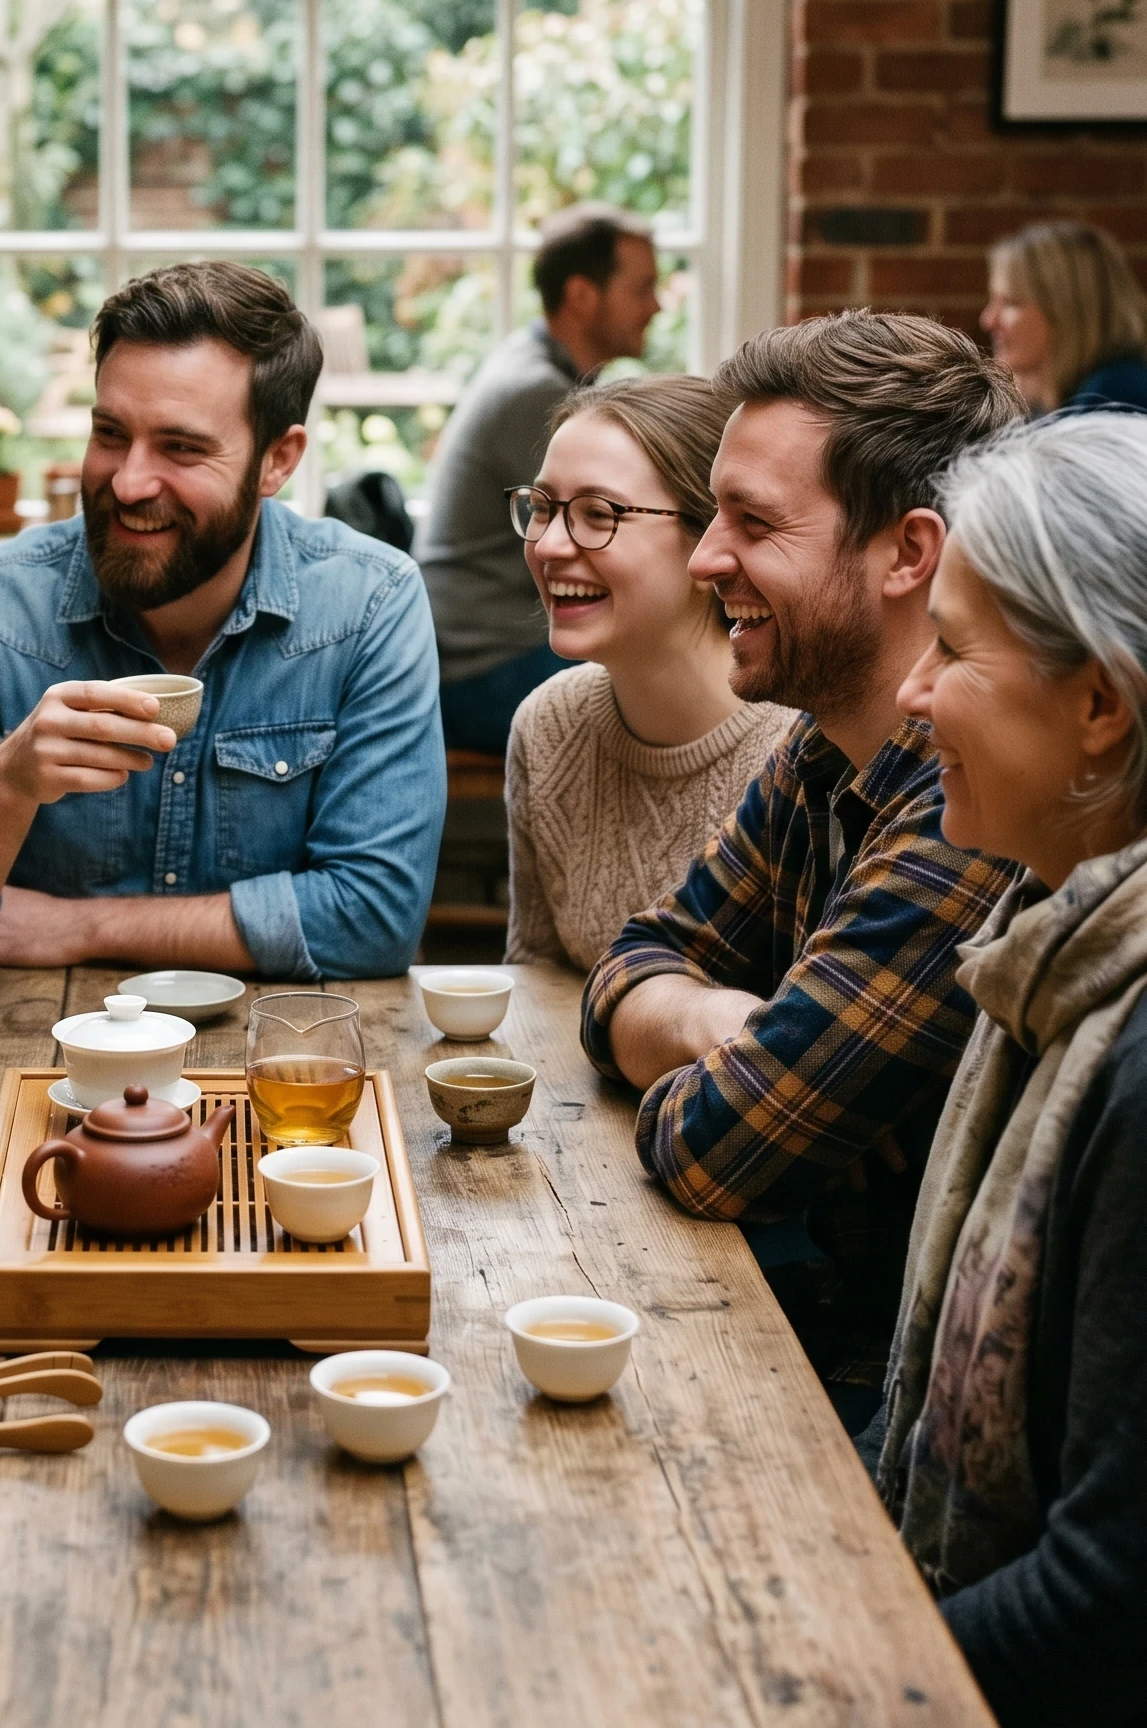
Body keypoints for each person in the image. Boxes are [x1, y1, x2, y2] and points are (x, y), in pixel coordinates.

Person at [581, 311, 1023, 1420]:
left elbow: (716, 1149)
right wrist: (727, 1022)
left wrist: (701, 1044)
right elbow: (629, 965)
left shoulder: (968, 808)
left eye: (751, 521)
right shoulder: (822, 744)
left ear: (905, 553)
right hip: (803, 1338)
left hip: (886, 1403)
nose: (700, 556)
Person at [0, 262, 444, 980]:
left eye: (181, 447)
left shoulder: (367, 605)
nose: (129, 483)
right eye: (109, 433)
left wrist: (80, 928)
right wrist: (7, 782)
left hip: (285, 1060)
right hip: (26, 1056)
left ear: (277, 460)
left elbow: (373, 917)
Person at [868, 414, 1147, 1726]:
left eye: (955, 649)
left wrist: (798, 1663)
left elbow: (1108, 1601)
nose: (913, 694)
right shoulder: (1043, 955)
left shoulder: (1135, 1062)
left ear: (1101, 703)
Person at [504, 376, 794, 972]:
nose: (550, 545)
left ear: (708, 538)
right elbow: (534, 974)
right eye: (541, 508)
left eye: (598, 513)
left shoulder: (798, 748)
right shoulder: (547, 726)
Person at [417, 203, 661, 754]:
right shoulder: (540, 397)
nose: (657, 304)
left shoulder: (536, 368)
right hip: (479, 665)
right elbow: (633, 530)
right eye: (642, 287)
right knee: (677, 688)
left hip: (492, 644)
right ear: (581, 295)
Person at [980, 219, 1147, 416]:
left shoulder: (1115, 395)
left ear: (1066, 309)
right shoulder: (1063, 395)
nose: (988, 320)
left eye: (1010, 302)